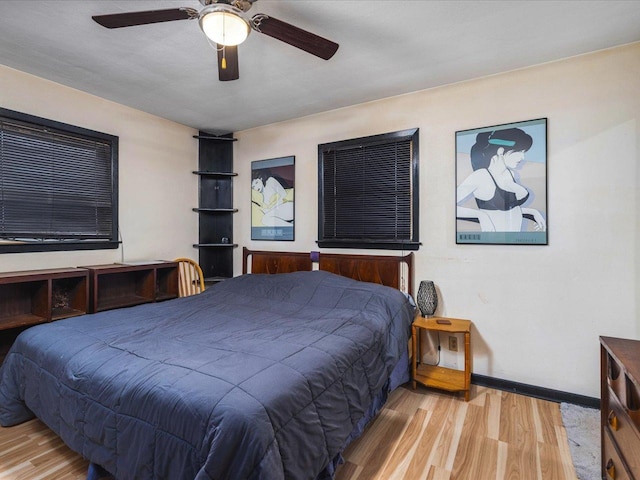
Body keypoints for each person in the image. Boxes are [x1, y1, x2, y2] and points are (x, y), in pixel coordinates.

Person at [456, 128, 546, 232]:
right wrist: (481, 215)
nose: (523, 157)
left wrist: (533, 212)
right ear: (501, 151)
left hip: (514, 241)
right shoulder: (480, 176)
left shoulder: (510, 174)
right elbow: (450, 207)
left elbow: (507, 211)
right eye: (519, 152)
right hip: (492, 242)